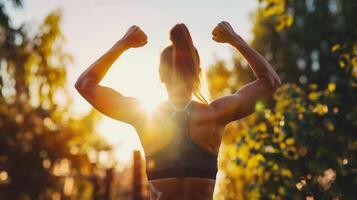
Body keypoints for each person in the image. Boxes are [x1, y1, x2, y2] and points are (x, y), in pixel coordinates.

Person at [75, 21, 281, 200]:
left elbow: (85, 84)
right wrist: (235, 40)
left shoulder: (145, 117)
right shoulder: (215, 114)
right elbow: (270, 81)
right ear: (198, 72)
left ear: (161, 75)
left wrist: (123, 44)